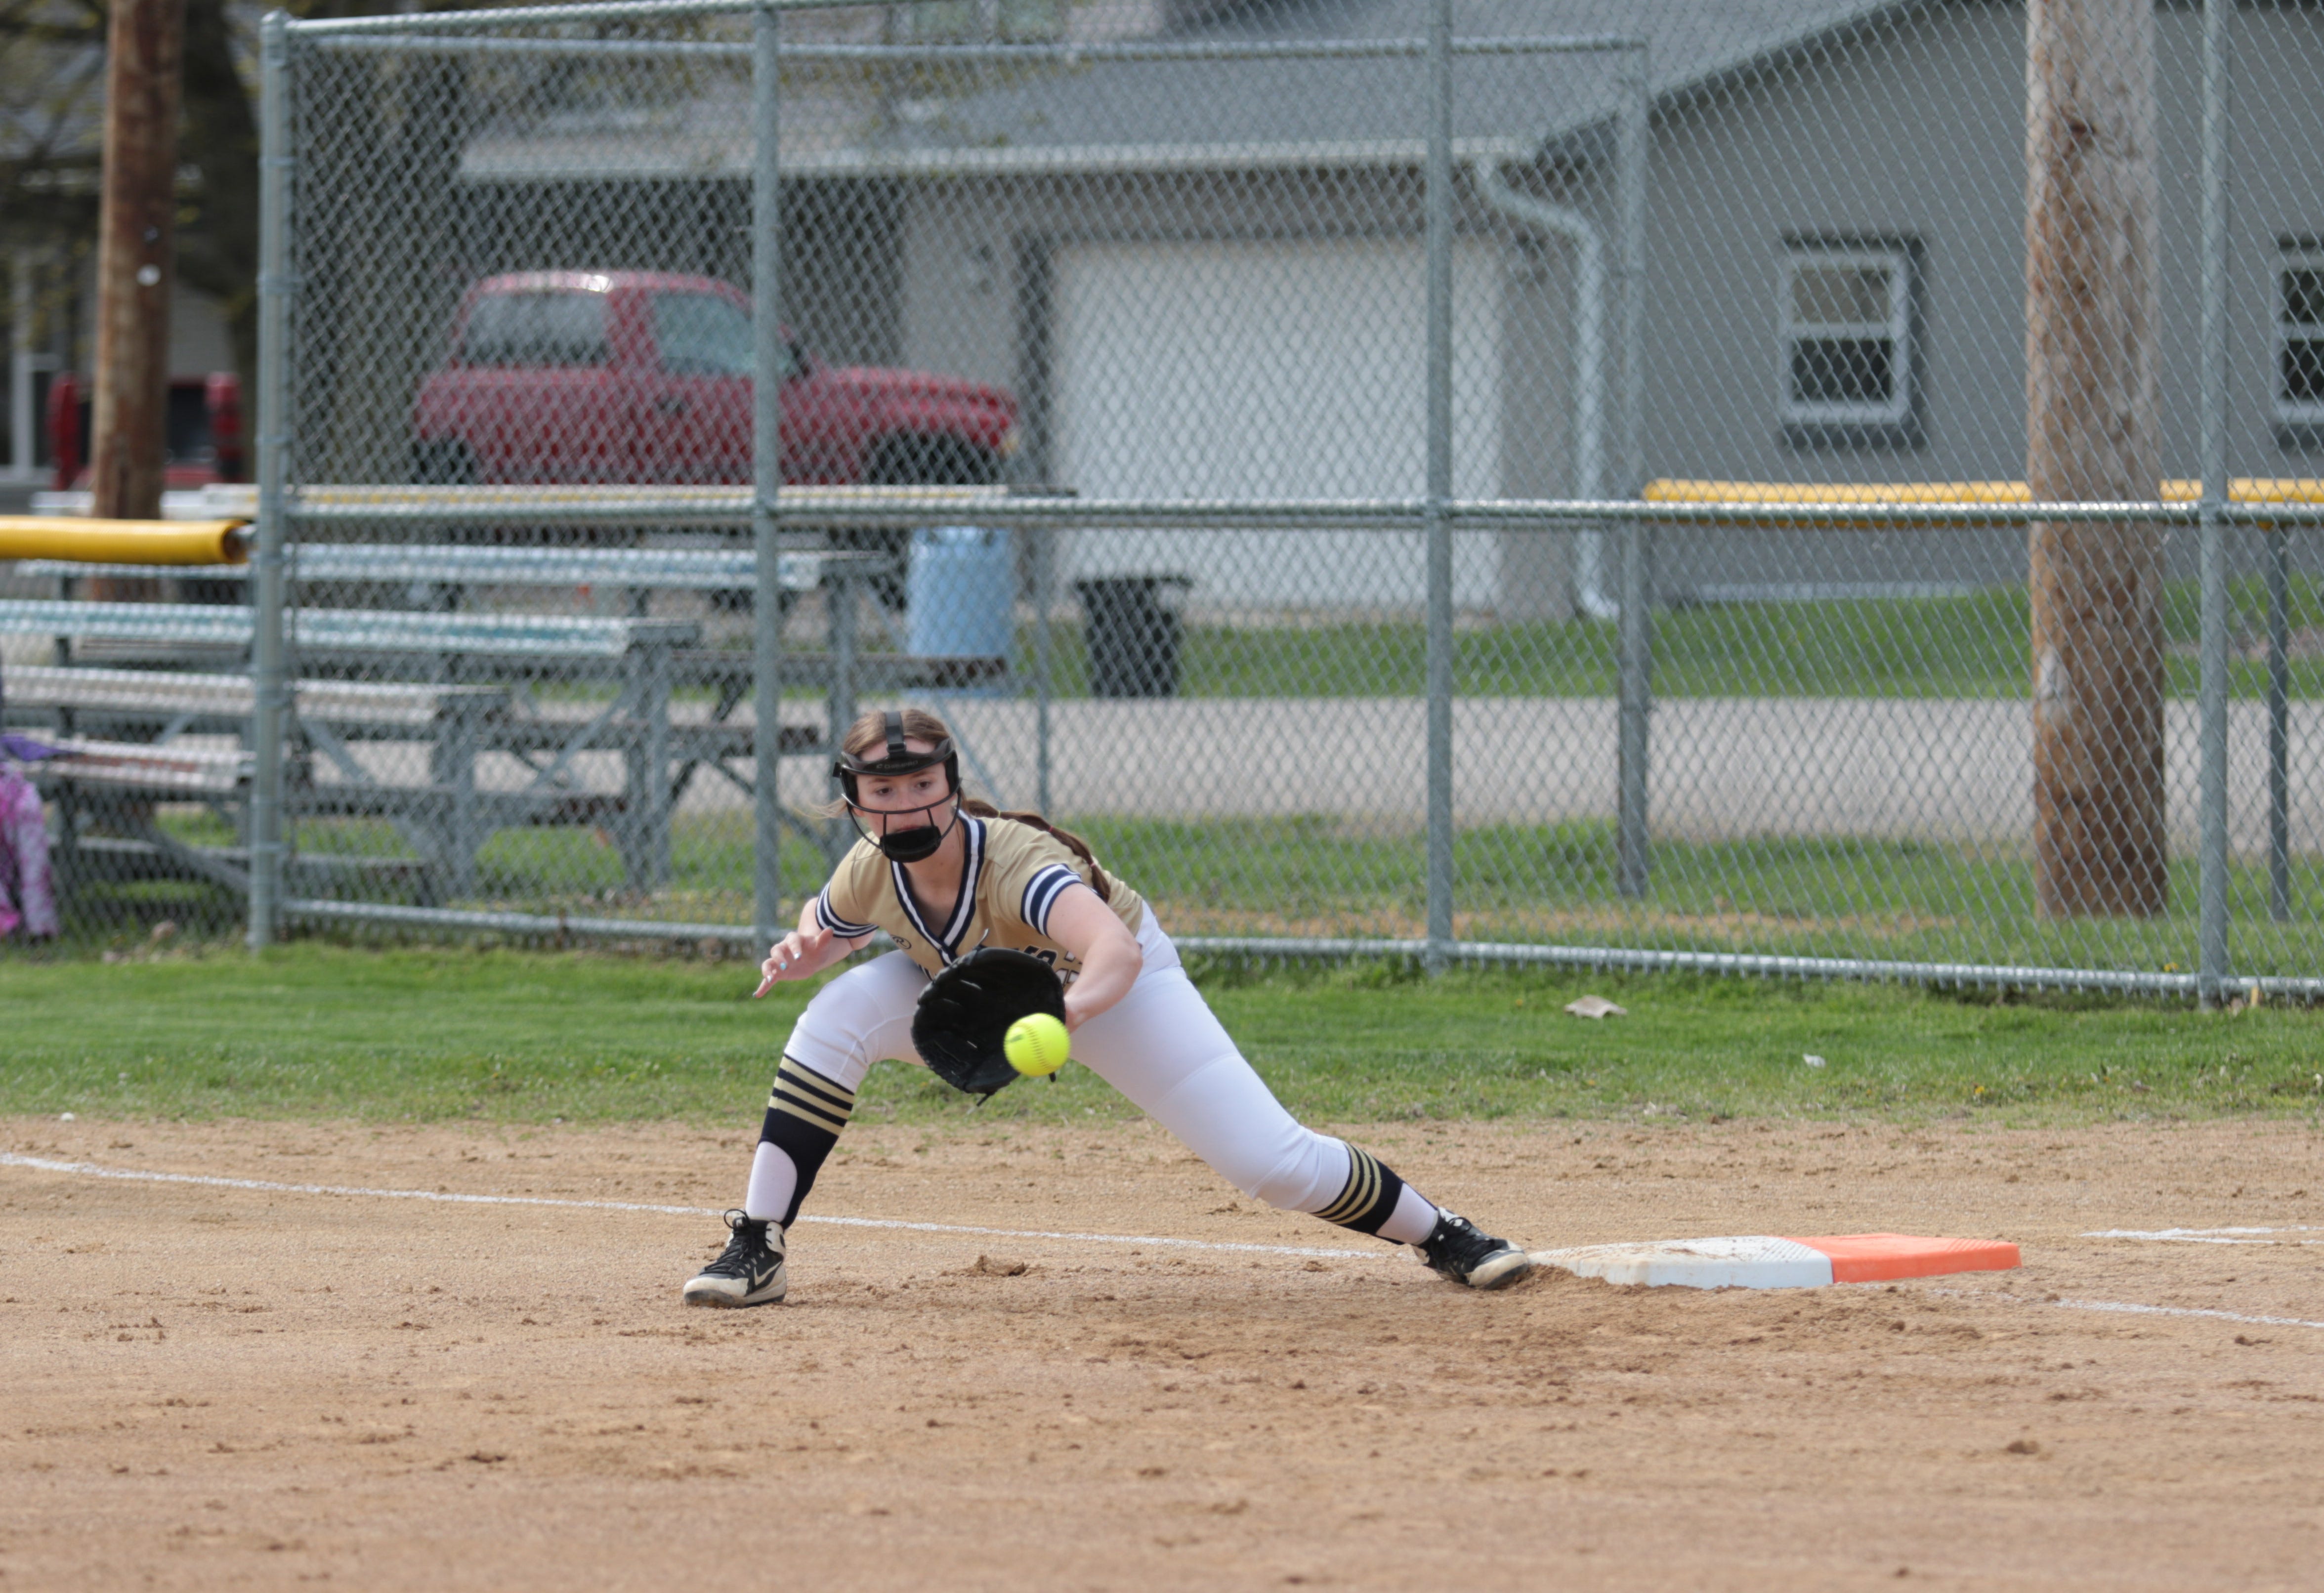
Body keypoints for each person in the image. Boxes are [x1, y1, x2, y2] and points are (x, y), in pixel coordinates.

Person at [682, 706, 1534, 1307]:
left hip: (1109, 989)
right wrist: (803, 950)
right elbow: (833, 923)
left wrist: (1067, 1014)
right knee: (831, 1018)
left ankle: (1444, 1235)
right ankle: (758, 1244)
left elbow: (1114, 953)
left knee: (1275, 1166)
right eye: (884, 791)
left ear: (951, 785)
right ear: (854, 798)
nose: (905, 805)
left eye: (921, 786)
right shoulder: (868, 867)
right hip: (981, 983)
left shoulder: (1015, 861)